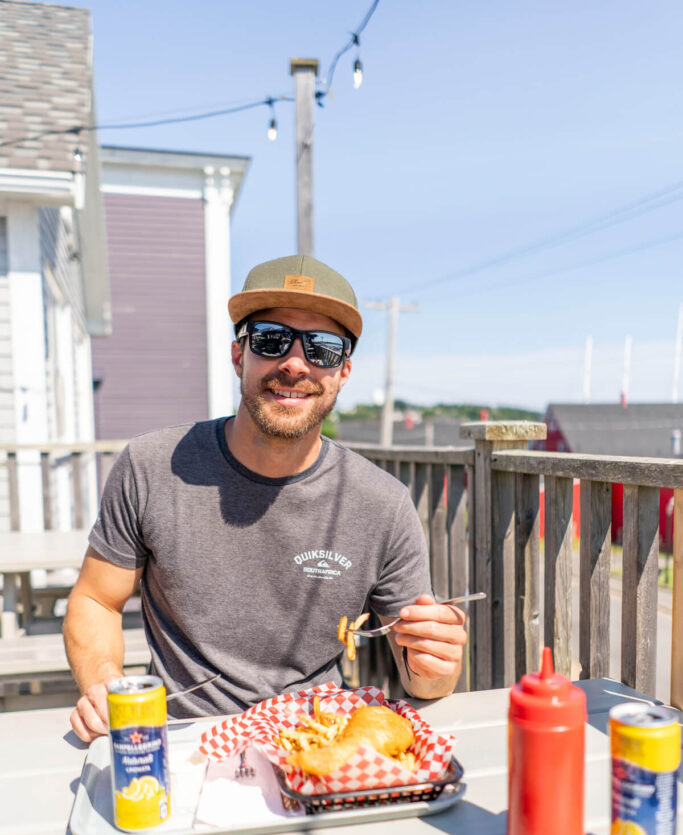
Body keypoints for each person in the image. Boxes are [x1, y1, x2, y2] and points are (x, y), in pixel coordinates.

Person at [67, 255, 467, 743]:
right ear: (240, 356)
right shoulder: (151, 466)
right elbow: (95, 600)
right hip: (182, 735)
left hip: (320, 737)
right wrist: (105, 683)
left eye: (321, 348)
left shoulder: (382, 503)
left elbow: (421, 675)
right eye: (271, 340)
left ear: (342, 372)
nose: (295, 363)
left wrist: (438, 661)